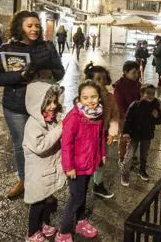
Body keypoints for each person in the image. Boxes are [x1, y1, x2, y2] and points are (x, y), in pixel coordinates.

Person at [0, 10, 65, 199]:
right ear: (20, 27)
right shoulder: (7, 48)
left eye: (37, 25)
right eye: (29, 26)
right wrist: (20, 76)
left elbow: (60, 72)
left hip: (42, 105)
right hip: (15, 105)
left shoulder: (48, 46)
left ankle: (44, 182)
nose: (35, 29)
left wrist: (49, 72)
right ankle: (24, 180)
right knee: (22, 145)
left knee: (46, 144)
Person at [57, 81, 105, 242]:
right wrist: (69, 166)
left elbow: (100, 138)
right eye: (85, 97)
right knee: (76, 197)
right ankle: (63, 231)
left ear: (99, 97)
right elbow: (66, 143)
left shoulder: (97, 113)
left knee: (83, 194)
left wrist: (101, 155)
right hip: (76, 166)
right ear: (79, 98)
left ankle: (80, 221)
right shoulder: (74, 117)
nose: (90, 101)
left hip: (89, 163)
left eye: (93, 97)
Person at [23, 82, 65, 242]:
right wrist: (60, 128)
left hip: (47, 169)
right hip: (38, 174)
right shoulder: (33, 125)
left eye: (55, 101)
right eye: (48, 103)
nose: (53, 106)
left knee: (48, 198)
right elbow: (41, 146)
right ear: (37, 104)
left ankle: (45, 224)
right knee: (37, 202)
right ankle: (32, 232)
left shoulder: (49, 119)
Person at [85, 63, 120, 199]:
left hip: (103, 134)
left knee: (100, 160)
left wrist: (112, 132)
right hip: (87, 136)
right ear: (90, 80)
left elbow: (114, 115)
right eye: (97, 79)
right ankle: (83, 183)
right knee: (86, 159)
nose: (101, 82)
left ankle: (98, 184)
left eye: (103, 79)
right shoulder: (85, 96)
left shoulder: (110, 97)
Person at [120, 84, 161, 186]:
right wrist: (126, 132)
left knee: (144, 154)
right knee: (130, 154)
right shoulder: (135, 105)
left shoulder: (155, 106)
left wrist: (157, 116)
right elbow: (128, 120)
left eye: (153, 94)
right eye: (148, 93)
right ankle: (124, 174)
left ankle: (142, 170)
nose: (150, 96)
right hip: (134, 134)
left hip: (147, 134)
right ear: (141, 94)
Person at [113, 61, 142, 162]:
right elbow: (120, 105)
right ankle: (122, 157)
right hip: (124, 118)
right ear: (125, 72)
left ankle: (131, 154)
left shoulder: (137, 84)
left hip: (136, 117)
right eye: (133, 72)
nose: (136, 75)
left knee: (134, 137)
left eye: (138, 72)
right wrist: (128, 117)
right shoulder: (119, 86)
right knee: (124, 137)